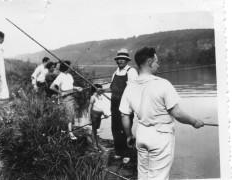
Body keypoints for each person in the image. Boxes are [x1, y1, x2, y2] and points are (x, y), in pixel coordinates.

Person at [119, 47, 205, 180]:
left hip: (141, 134)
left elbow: (124, 115)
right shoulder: (163, 84)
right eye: (156, 61)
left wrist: (129, 135)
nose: (158, 64)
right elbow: (177, 113)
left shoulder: (129, 86)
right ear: (149, 62)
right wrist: (195, 122)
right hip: (160, 137)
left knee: (143, 175)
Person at [110, 48, 138, 164]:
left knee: (126, 129)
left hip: (126, 106)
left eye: (122, 59)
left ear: (127, 60)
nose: (120, 61)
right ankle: (119, 152)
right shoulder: (115, 72)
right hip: (114, 104)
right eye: (118, 59)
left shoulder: (131, 71)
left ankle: (128, 153)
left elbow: (135, 89)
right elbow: (112, 88)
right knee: (115, 128)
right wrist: (102, 90)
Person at [50, 61, 83, 140]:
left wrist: (77, 88)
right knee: (69, 115)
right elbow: (52, 87)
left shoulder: (69, 75)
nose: (71, 68)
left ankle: (64, 130)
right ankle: (70, 133)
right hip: (65, 98)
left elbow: (70, 86)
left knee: (71, 114)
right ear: (66, 68)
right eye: (69, 66)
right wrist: (60, 93)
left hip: (71, 96)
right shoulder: (60, 76)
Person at [88, 84, 109, 150]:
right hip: (94, 115)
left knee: (98, 129)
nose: (101, 91)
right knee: (94, 130)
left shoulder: (100, 97)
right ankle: (94, 144)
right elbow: (89, 108)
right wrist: (89, 119)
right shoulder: (93, 97)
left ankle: (97, 143)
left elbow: (100, 107)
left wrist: (104, 114)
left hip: (99, 115)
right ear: (96, 90)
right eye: (100, 90)